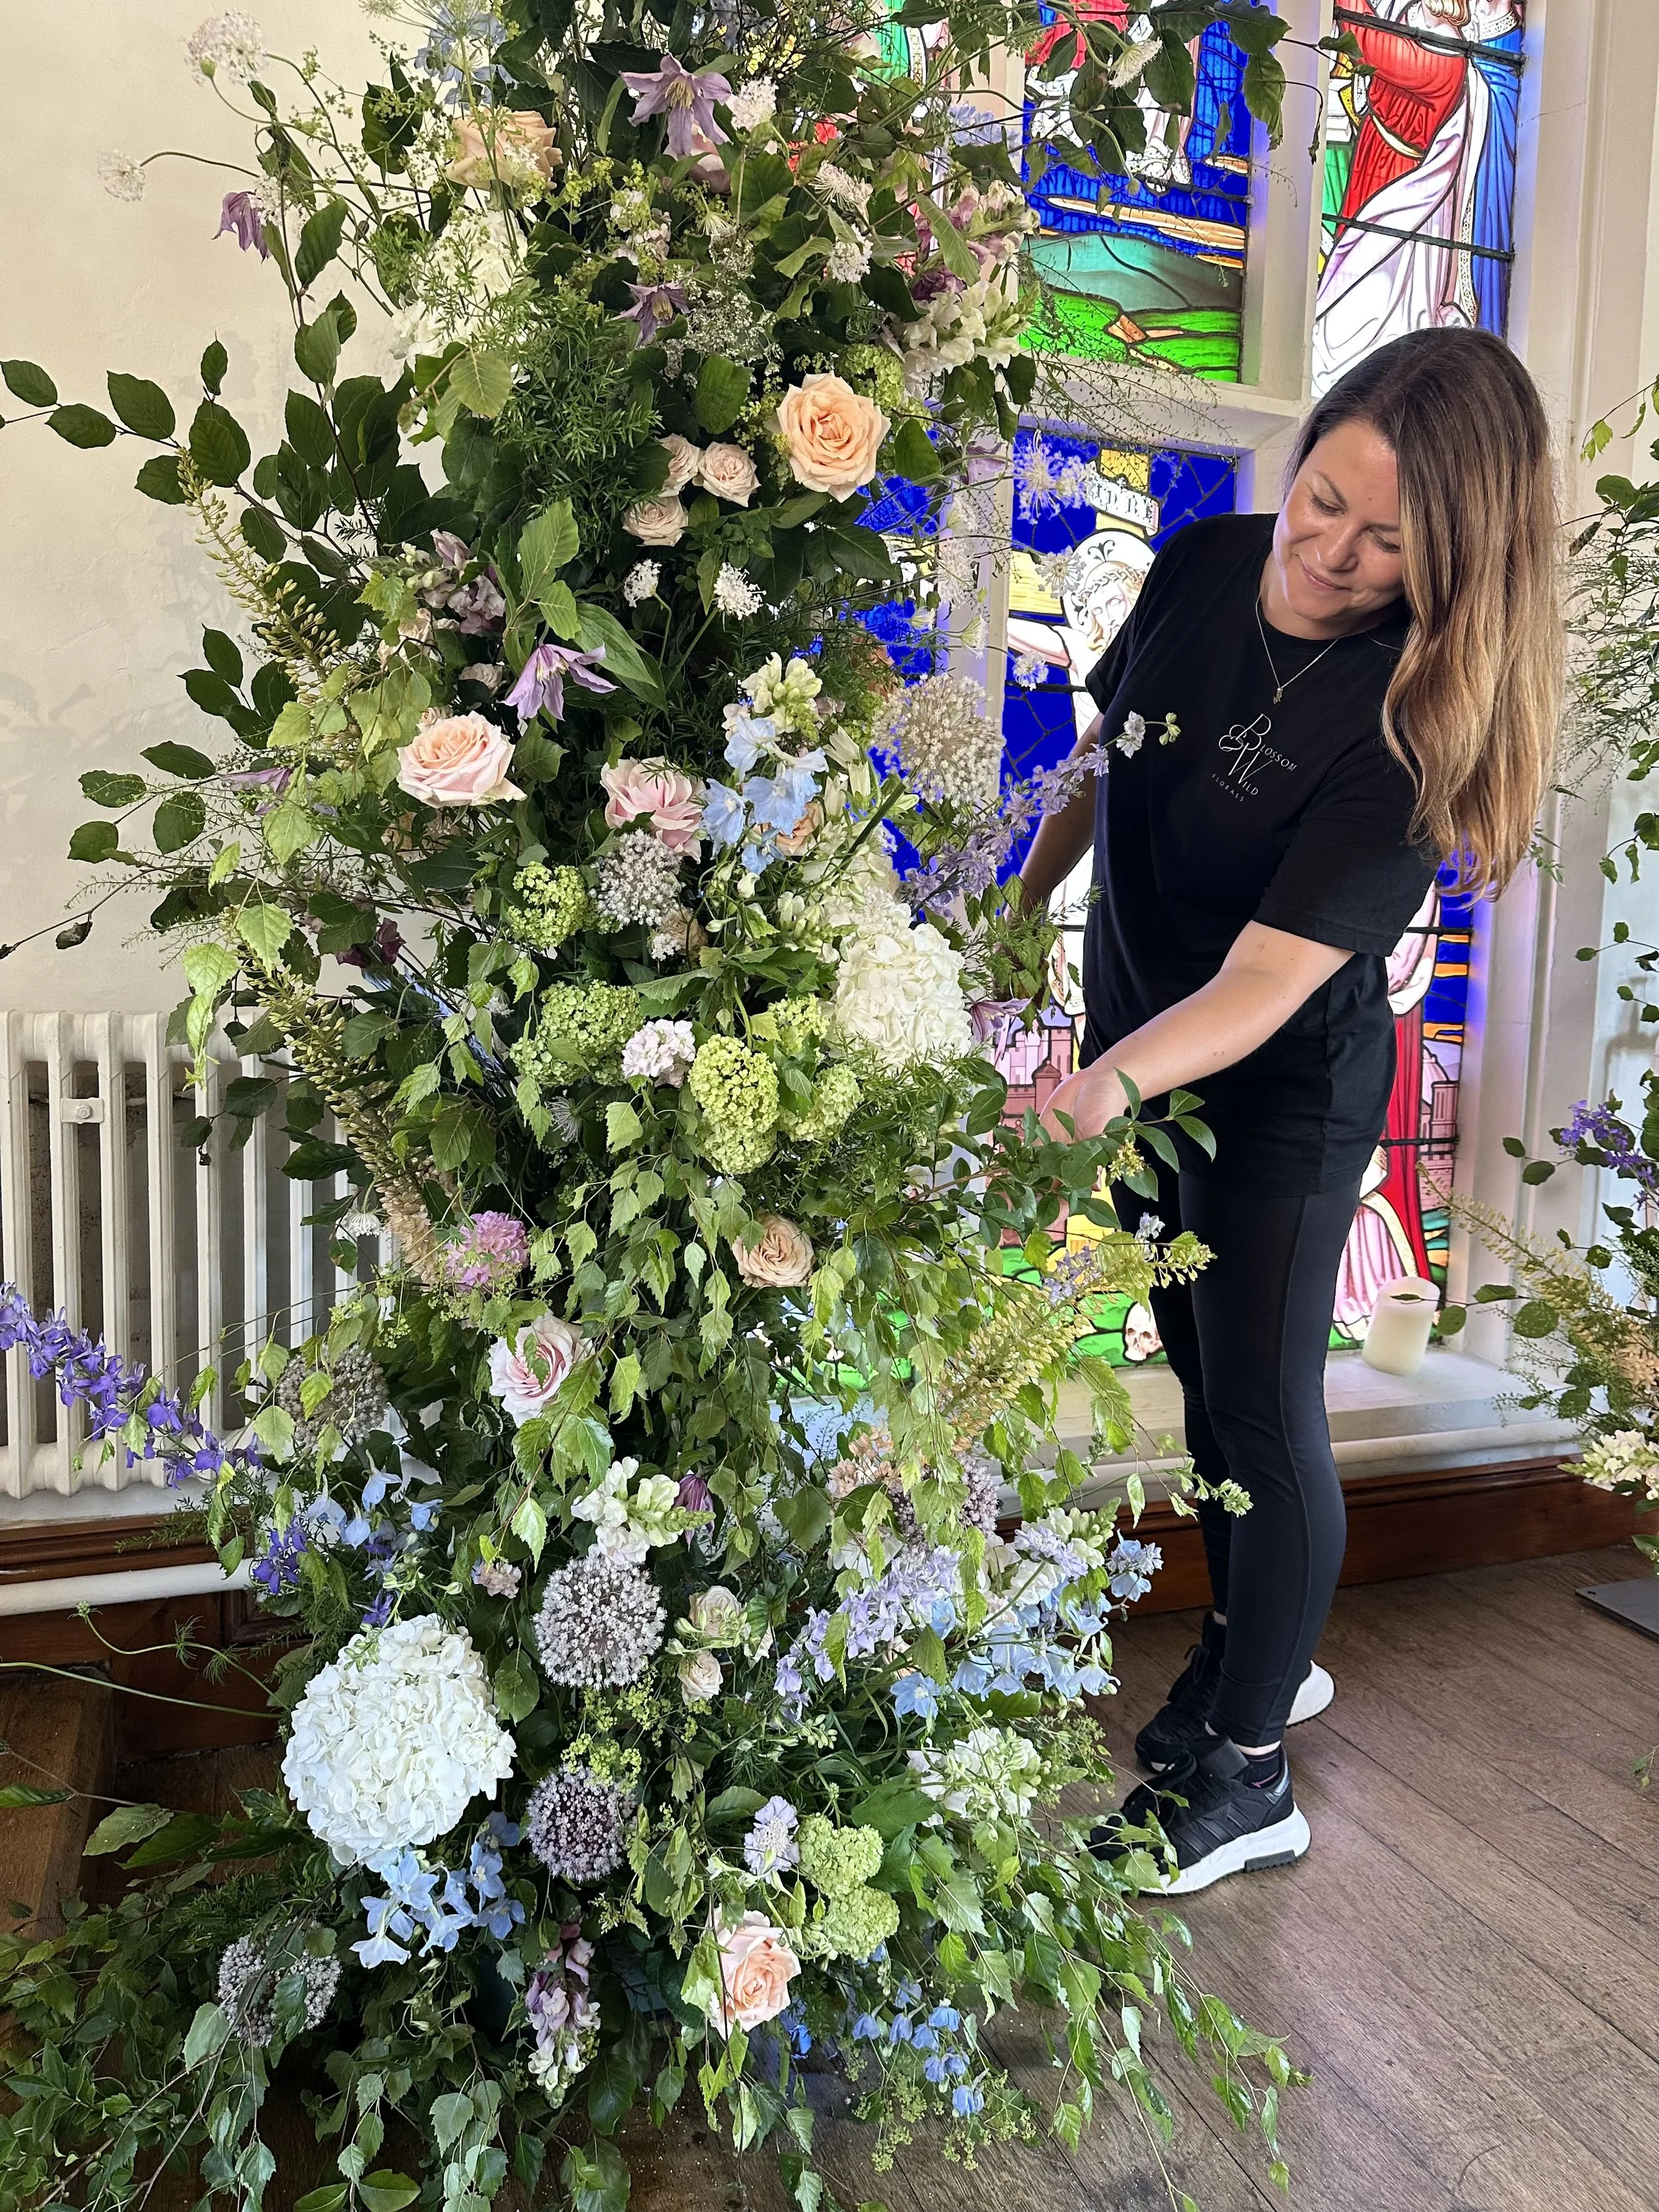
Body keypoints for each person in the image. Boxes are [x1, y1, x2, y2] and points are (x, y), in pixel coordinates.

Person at [1017, 327, 1561, 1892]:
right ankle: (1267, 1647)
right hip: (1138, 1046)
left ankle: (1248, 1770)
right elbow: (1103, 761)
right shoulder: (1202, 560)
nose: (1327, 552)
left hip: (1273, 1101)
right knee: (1198, 1377)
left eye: (1384, 542)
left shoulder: (1412, 717)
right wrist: (1023, 899)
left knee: (1264, 1406)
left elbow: (1260, 989)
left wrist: (1094, 1087)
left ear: (1453, 559)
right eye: (1322, 497)